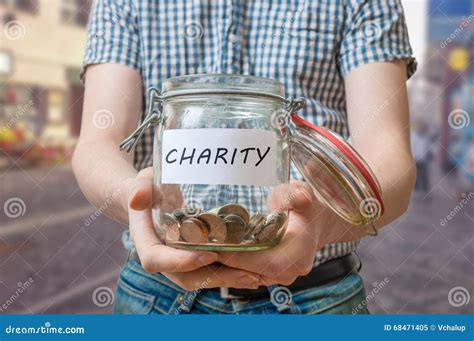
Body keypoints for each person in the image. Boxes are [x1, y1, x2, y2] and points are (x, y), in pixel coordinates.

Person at [73, 0, 417, 314]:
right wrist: (138, 204)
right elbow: (98, 145)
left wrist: (319, 225)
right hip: (155, 296)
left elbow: (389, 159)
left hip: (315, 297)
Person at [411, 119, 434, 193]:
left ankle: (425, 189)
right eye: (420, 126)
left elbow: (429, 147)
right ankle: (416, 189)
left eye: (423, 127)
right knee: (416, 175)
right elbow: (412, 147)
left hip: (424, 159)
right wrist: (413, 157)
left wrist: (430, 154)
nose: (421, 128)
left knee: (424, 175)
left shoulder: (426, 136)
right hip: (415, 159)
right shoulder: (413, 136)